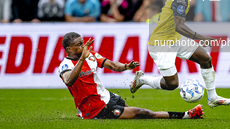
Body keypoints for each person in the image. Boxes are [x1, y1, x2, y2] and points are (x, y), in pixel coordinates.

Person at [130, 0, 230, 109]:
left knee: (205, 59)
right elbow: (179, 25)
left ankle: (212, 98)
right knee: (171, 84)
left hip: (174, 37)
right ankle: (142, 80)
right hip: (161, 43)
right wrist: (200, 37)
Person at [58, 32, 203, 119]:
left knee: (133, 116)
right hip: (94, 108)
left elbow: (113, 65)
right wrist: (82, 58)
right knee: (141, 113)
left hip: (107, 97)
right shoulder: (65, 65)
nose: (84, 46)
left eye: (83, 43)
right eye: (79, 44)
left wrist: (127, 66)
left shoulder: (91, 56)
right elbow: (69, 81)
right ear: (69, 48)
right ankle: (187, 115)